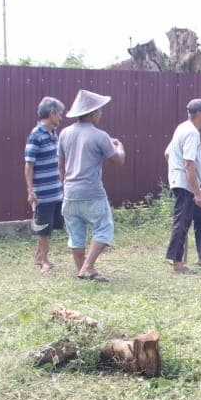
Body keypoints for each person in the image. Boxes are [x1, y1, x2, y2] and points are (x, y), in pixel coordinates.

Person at [57, 89, 125, 282]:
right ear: (93, 112)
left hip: (70, 192)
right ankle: (87, 267)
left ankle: (83, 269)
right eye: (100, 111)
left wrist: (65, 185)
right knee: (104, 228)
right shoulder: (100, 135)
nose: (101, 114)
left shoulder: (64, 133)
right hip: (92, 192)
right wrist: (120, 146)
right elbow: (118, 160)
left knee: (76, 233)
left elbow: (61, 164)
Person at [164, 98, 201, 272]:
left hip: (181, 180)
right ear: (199, 113)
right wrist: (197, 193)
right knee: (182, 221)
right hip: (185, 183)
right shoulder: (192, 132)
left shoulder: (182, 127)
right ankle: (177, 264)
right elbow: (189, 164)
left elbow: (167, 153)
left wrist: (174, 170)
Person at [23, 96, 66, 272]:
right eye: (60, 114)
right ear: (52, 113)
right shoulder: (36, 135)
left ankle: (39, 256)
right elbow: (29, 164)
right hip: (43, 192)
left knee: (51, 226)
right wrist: (30, 190)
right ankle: (44, 261)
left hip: (55, 190)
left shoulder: (53, 133)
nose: (61, 118)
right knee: (44, 228)